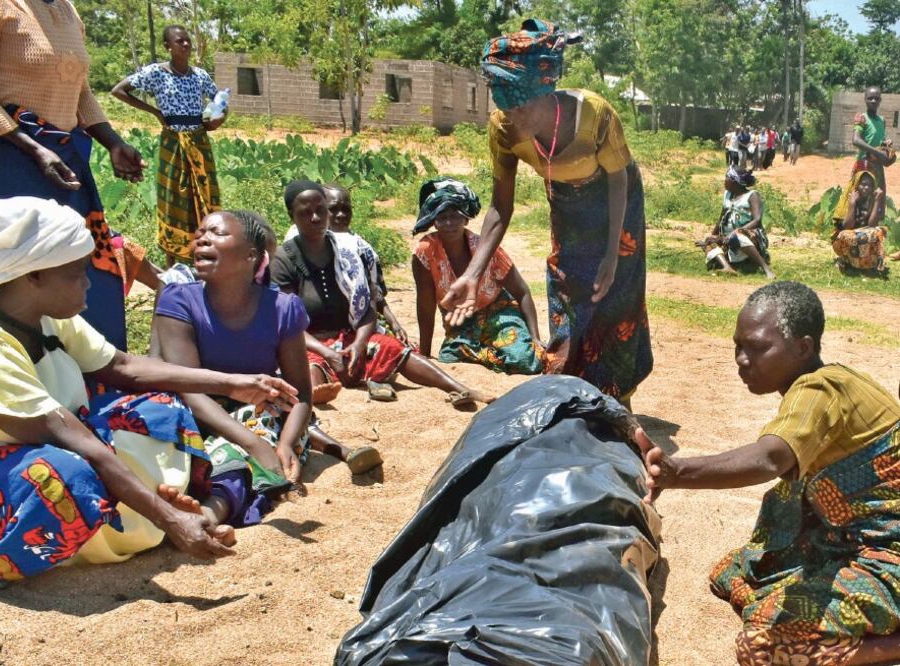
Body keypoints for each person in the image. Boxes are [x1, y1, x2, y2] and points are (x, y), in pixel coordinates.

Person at [0, 197, 302, 584]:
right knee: (66, 478)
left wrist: (236, 383)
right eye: (76, 272)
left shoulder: (40, 314)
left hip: (34, 447)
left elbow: (124, 367)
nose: (87, 282)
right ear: (33, 277)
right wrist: (169, 518)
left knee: (162, 409)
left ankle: (140, 518)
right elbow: (78, 444)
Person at [637, 281, 900, 666]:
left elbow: (771, 458)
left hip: (888, 555)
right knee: (733, 573)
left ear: (803, 347)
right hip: (847, 536)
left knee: (762, 646)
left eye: (758, 347)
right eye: (738, 346)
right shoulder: (831, 380)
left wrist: (677, 472)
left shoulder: (819, 392)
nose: (742, 359)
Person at [444, 19, 652, 405]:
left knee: (615, 292)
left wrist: (611, 254)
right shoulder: (504, 131)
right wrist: (472, 275)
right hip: (566, 200)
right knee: (568, 286)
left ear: (546, 94)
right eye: (503, 106)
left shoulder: (594, 116)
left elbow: (619, 181)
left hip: (615, 199)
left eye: (520, 106)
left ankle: (618, 396)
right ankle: (570, 386)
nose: (511, 117)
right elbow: (499, 207)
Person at [0, 0, 157, 351]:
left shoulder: (66, 9)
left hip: (63, 157)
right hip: (8, 162)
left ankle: (89, 368)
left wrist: (113, 142)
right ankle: (23, 368)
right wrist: (32, 148)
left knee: (74, 265)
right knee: (23, 276)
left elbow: (81, 90)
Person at [154, 210, 383, 481]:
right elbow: (189, 389)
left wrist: (284, 444)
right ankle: (226, 498)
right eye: (201, 233)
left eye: (217, 233)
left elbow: (300, 396)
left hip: (258, 410)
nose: (202, 239)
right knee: (244, 448)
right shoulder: (178, 299)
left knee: (270, 425)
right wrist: (254, 443)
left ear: (251, 257)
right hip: (193, 411)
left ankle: (250, 481)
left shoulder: (281, 308)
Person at [272, 180, 493, 409]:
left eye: (320, 210)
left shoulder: (346, 252)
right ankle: (316, 392)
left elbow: (366, 310)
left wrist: (359, 343)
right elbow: (287, 323)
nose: (316, 218)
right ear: (292, 216)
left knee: (392, 347)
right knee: (309, 365)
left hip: (346, 339)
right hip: (306, 342)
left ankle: (456, 387)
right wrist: (326, 351)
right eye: (306, 213)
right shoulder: (284, 260)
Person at [111, 25, 224, 266]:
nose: (185, 45)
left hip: (199, 143)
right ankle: (173, 263)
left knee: (204, 197)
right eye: (179, 41)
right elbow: (119, 90)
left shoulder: (200, 76)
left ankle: (204, 257)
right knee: (173, 200)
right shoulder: (156, 73)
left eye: (187, 41)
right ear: (167, 47)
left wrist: (217, 119)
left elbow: (221, 102)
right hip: (172, 144)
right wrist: (155, 112)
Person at [411, 178, 543, 375]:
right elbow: (425, 305)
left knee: (524, 360)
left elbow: (522, 291)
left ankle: (492, 349)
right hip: (461, 321)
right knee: (448, 357)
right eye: (442, 217)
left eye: (455, 216)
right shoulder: (425, 253)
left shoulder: (486, 249)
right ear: (434, 222)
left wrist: (536, 339)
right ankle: (491, 351)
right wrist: (425, 353)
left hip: (500, 312)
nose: (449, 223)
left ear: (466, 219)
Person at [323, 184, 409, 344]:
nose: (341, 215)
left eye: (346, 209)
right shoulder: (312, 247)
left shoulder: (362, 248)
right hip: (325, 330)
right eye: (333, 209)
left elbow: (374, 293)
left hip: (364, 325)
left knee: (400, 347)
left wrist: (394, 322)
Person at [697, 165, 775, 279]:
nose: (724, 181)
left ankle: (766, 269)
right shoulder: (727, 195)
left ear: (734, 181)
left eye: (726, 178)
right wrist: (713, 236)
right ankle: (727, 267)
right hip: (728, 238)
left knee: (737, 236)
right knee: (709, 241)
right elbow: (721, 218)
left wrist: (734, 233)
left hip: (750, 237)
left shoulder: (752, 195)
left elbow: (757, 220)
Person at [831, 170, 888, 274]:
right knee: (848, 235)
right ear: (857, 185)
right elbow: (847, 226)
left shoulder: (871, 200)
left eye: (870, 185)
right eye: (863, 184)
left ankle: (871, 263)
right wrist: (852, 204)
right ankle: (844, 259)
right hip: (846, 240)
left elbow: (872, 225)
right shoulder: (847, 199)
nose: (866, 188)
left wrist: (876, 201)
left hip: (862, 239)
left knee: (880, 231)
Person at [851, 86, 895, 221]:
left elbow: (879, 142)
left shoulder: (882, 120)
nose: (873, 101)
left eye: (876, 98)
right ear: (865, 100)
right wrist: (876, 151)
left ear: (880, 100)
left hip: (878, 166)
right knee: (861, 202)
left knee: (877, 199)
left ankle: (873, 235)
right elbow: (856, 140)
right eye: (870, 98)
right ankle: (856, 235)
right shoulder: (862, 118)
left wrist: (886, 146)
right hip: (864, 166)